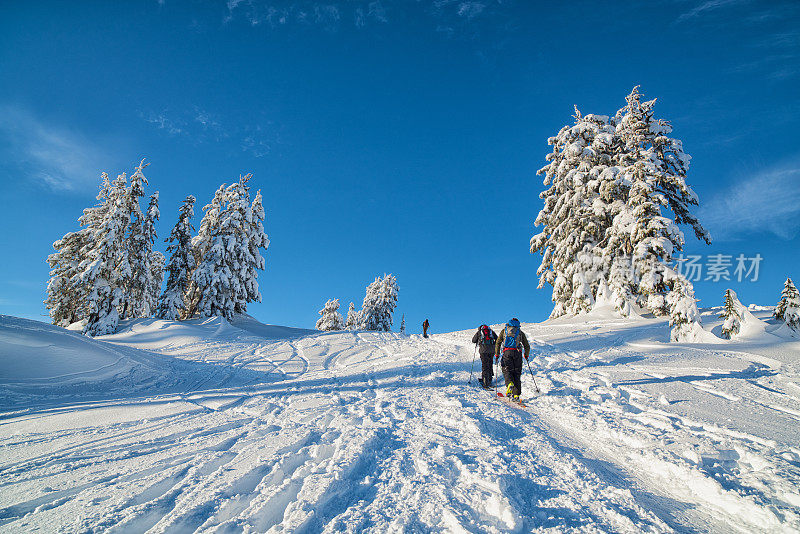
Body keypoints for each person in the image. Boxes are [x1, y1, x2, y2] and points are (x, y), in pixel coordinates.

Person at [494, 318, 530, 401]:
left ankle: (509, 383)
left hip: (507, 352)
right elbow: (526, 345)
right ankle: (516, 395)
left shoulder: (504, 330)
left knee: (507, 370)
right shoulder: (520, 332)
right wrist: (526, 355)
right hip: (517, 353)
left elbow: (498, 342)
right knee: (517, 373)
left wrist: (497, 354)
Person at [472, 324, 497, 389]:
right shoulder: (491, 331)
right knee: (490, 364)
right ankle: (490, 380)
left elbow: (473, 340)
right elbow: (497, 339)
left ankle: (485, 382)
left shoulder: (479, 332)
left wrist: (478, 340)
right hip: (491, 351)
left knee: (485, 365)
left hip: (483, 351)